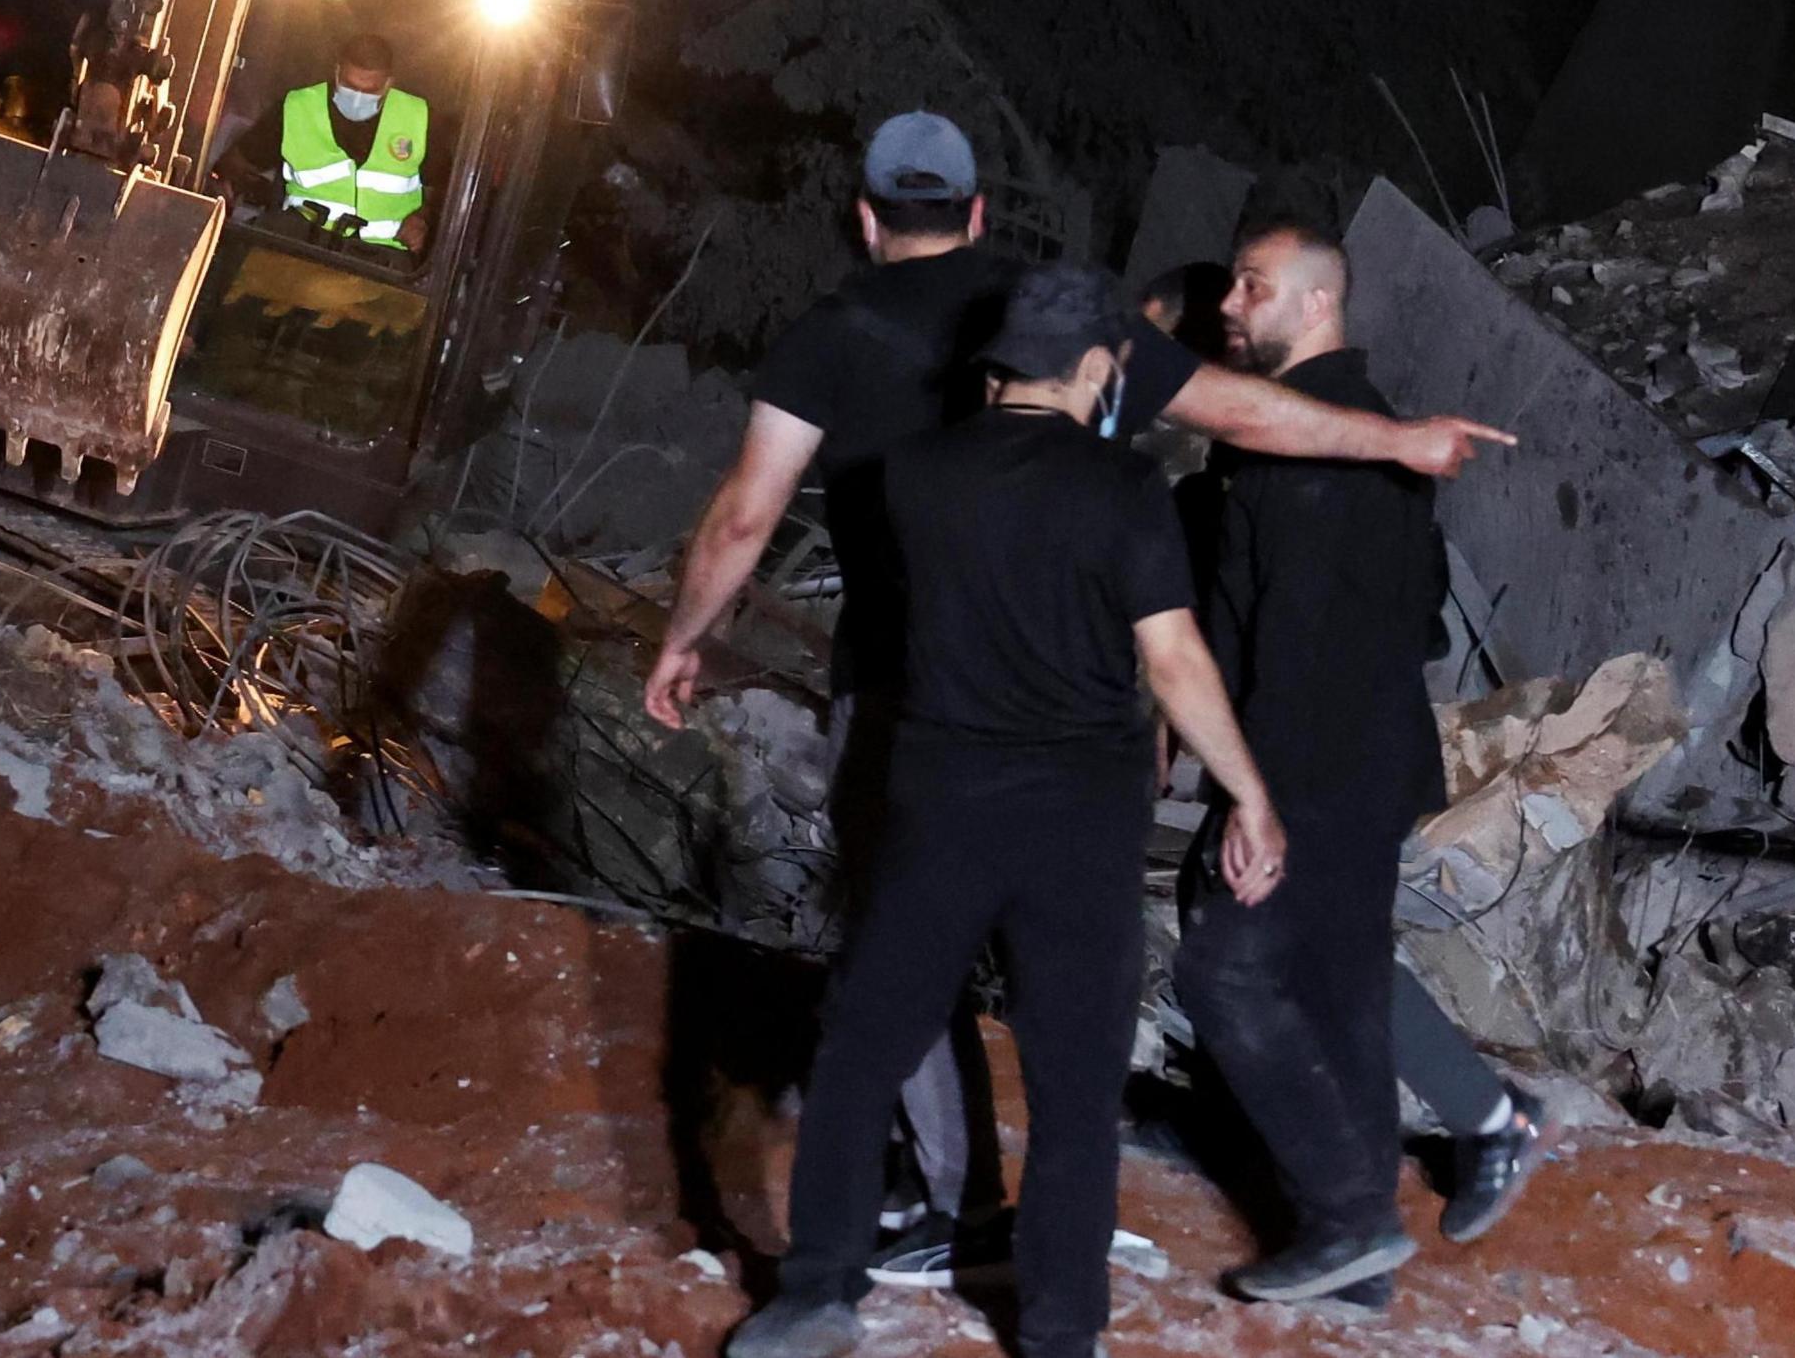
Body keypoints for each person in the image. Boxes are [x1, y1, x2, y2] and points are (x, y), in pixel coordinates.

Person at [641, 113, 1512, 1306]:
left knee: (902, 960)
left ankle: (928, 1215)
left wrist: (686, 638)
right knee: (1085, 1015)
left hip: (917, 701)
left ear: (864, 216)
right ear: (980, 212)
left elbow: (746, 515)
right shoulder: (1060, 331)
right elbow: (1239, 426)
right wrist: (1399, 440)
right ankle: (1064, 1288)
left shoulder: (839, 350)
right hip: (1079, 723)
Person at [722, 261, 1290, 1358]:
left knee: (861, 1043)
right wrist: (1250, 792)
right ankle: (1062, 1329)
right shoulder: (1126, 490)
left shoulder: (916, 474)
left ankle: (816, 1291)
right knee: (1076, 1083)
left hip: (942, 799)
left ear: (996, 372)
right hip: (1081, 817)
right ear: (1090, 369)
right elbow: (1171, 662)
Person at [1173, 220, 1546, 1306]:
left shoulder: (1334, 450)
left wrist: (1258, 799)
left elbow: (1305, 648)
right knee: (1337, 977)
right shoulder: (1295, 438)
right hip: (1352, 758)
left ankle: (1356, 1211)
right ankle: (1381, 1236)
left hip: (1323, 762)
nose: (1229, 306)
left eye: (1252, 286)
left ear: (1318, 304)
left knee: (1225, 969)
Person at [214, 32, 445, 254]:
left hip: (384, 262)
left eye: (370, 90)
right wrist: (224, 193)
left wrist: (421, 218)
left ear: (387, 84)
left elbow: (445, 189)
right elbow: (235, 165)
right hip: (299, 246)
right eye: (350, 86)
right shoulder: (297, 108)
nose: (357, 97)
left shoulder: (417, 118)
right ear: (337, 73)